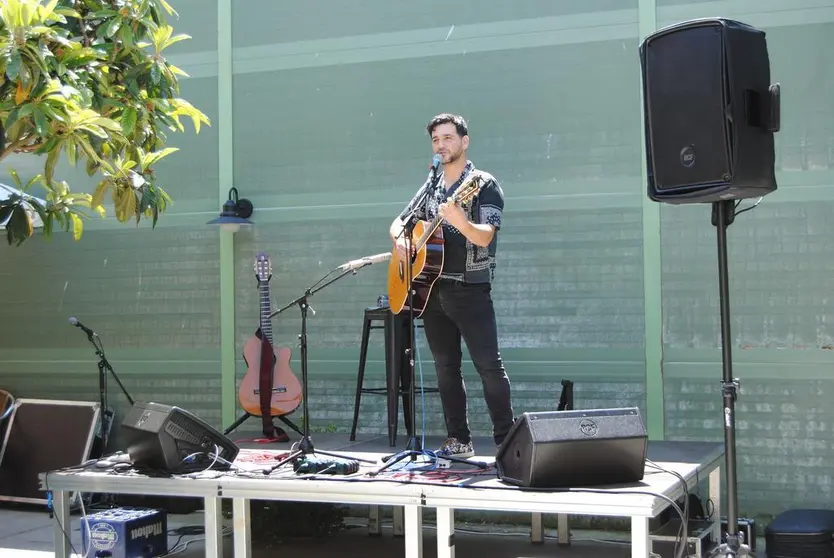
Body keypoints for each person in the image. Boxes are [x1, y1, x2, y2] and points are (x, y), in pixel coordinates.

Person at [388, 113, 514, 458]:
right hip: (431, 290)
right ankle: (459, 440)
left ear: (464, 141)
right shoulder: (432, 185)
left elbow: (487, 236)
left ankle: (507, 443)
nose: (441, 145)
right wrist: (400, 239)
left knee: (489, 366)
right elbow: (401, 220)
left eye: (448, 137)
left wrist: (461, 221)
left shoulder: (483, 183)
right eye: (436, 140)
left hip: (469, 288)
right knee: (446, 368)